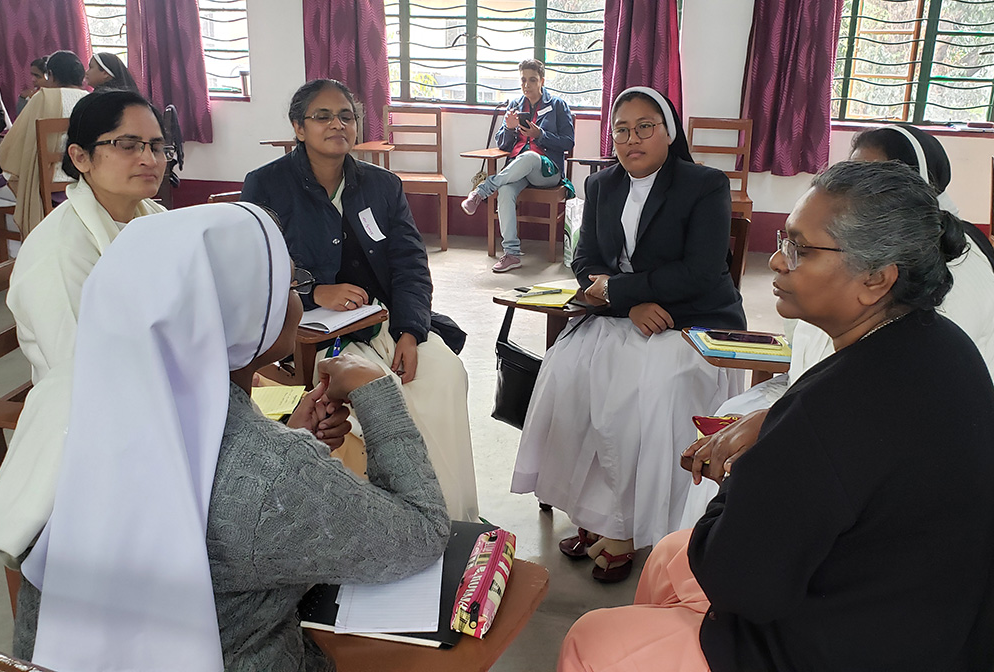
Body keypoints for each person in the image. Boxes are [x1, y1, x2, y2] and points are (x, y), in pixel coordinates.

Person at [558, 160, 994, 672]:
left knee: (593, 638)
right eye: (785, 242)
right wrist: (772, 429)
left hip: (849, 642)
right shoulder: (942, 346)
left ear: (876, 278)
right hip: (926, 611)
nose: (780, 262)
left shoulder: (833, 408)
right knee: (671, 554)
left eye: (800, 250)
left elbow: (740, 581)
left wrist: (741, 476)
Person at [12, 202, 451, 672]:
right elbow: (422, 533)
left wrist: (289, 442)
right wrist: (373, 387)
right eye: (289, 285)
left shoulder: (64, 406)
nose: (297, 297)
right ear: (244, 315)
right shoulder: (270, 475)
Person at [678, 123, 994, 525]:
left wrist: (781, 428)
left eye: (875, 185)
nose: (776, 261)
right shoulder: (901, 325)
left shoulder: (945, 297)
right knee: (729, 418)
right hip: (821, 407)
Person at [510, 86, 746, 582]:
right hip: (623, 313)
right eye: (621, 129)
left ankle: (632, 526)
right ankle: (591, 515)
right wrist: (629, 300)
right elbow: (584, 261)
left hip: (692, 319)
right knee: (567, 374)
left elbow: (702, 270)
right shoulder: (601, 185)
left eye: (645, 127)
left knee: (646, 388)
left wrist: (621, 289)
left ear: (668, 132)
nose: (631, 138)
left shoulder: (704, 184)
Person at [241, 78, 479, 521]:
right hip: (313, 334)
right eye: (323, 116)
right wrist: (313, 291)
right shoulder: (266, 186)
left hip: (387, 322)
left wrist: (410, 331)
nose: (338, 124)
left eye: (347, 115)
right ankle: (398, 519)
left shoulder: (382, 186)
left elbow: (410, 264)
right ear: (298, 127)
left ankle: (453, 517)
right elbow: (255, 267)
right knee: (386, 397)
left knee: (446, 375)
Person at [0, 90, 173, 569]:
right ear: (80, 157)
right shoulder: (57, 253)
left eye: (157, 146)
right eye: (129, 144)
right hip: (90, 424)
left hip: (156, 388)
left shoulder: (150, 218)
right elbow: (83, 374)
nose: (149, 159)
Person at [460, 59, 575, 272]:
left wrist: (539, 135)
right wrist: (510, 128)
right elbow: (503, 144)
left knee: (531, 156)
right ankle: (511, 254)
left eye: (532, 80)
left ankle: (481, 191)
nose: (527, 85)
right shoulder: (514, 106)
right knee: (504, 190)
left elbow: (568, 142)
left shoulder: (558, 106)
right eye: (523, 80)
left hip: (547, 170)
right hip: (518, 169)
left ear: (542, 80)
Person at [0, 50, 89, 236]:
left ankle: (12, 249)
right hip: (84, 180)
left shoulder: (44, 97)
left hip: (47, 180)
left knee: (4, 185)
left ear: (52, 75)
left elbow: (15, 143)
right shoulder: (91, 100)